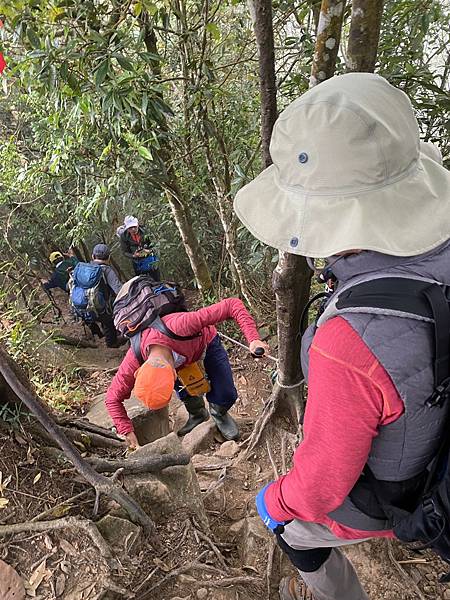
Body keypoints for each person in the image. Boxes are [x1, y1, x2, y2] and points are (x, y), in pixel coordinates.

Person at [233, 73, 450, 600]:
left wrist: (276, 501)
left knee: (291, 528)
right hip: (440, 453)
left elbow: (323, 482)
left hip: (398, 493)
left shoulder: (348, 340)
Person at [105, 298, 269, 448]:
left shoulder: (182, 324)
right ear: (138, 371)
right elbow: (112, 398)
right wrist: (126, 430)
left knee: (225, 390)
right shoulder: (134, 358)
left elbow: (232, 304)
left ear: (175, 375)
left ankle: (219, 413)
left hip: (205, 343)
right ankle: (197, 413)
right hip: (178, 355)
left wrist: (253, 338)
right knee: (186, 391)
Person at [116, 215, 160, 279]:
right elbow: (125, 252)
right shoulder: (124, 236)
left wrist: (149, 251)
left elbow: (156, 245)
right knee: (142, 281)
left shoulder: (146, 231)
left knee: (156, 280)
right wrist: (134, 255)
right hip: (137, 262)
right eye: (130, 228)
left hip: (151, 259)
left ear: (138, 225)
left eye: (134, 227)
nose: (133, 229)